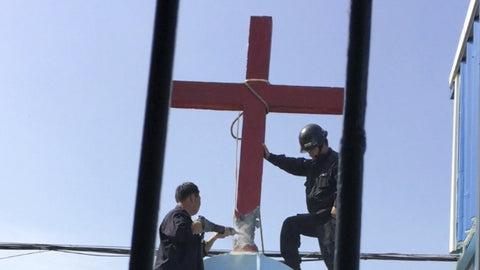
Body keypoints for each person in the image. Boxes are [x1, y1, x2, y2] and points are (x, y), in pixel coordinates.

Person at [263, 124, 338, 270]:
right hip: (318, 218)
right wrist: (270, 157)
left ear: (322, 143)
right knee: (291, 225)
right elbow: (293, 164)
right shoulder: (312, 166)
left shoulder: (338, 162)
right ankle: (292, 266)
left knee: (332, 258)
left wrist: (338, 204)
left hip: (332, 219)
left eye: (311, 149)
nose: (310, 154)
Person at [154, 182, 234, 270]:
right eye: (199, 198)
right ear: (192, 198)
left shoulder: (186, 223)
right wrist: (199, 226)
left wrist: (215, 236)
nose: (200, 203)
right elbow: (181, 232)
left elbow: (199, 252)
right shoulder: (175, 216)